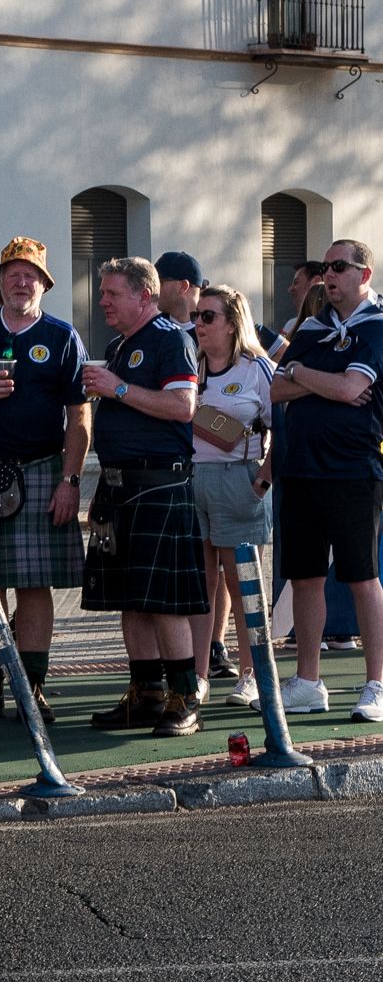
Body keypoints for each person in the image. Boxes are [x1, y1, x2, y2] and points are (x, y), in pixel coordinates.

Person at [0, 237, 88, 724]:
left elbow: (80, 416)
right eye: (12, 274)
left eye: (30, 275)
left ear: (44, 284)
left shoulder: (63, 336)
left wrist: (70, 480)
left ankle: (32, 688)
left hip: (42, 470)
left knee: (35, 586)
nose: (20, 282)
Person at [80, 257, 206, 735]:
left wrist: (119, 388)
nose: (103, 301)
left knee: (163, 600)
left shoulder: (171, 339)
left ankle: (183, 698)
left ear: (145, 296)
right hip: (120, 487)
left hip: (160, 485)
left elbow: (183, 406)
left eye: (112, 293)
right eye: (103, 292)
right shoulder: (117, 346)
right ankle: (146, 694)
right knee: (131, 599)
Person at [268, 240, 383, 722]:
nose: (327, 276)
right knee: (305, 576)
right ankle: (308, 682)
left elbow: (354, 388)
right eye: (324, 269)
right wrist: (312, 375)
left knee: (362, 578)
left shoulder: (375, 326)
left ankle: (376, 684)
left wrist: (304, 374)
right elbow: (276, 386)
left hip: (353, 470)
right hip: (300, 469)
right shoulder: (312, 327)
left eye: (339, 267)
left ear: (364, 273)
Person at [189, 284, 273, 709]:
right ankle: (199, 675)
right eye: (197, 316)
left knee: (243, 586)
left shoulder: (256, 368)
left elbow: (285, 424)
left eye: (208, 317)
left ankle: (252, 674)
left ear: (232, 322)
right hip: (195, 477)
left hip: (239, 478)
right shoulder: (192, 366)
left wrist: (262, 479)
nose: (199, 324)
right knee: (200, 586)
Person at [154, 251, 204, 328]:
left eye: (159, 283)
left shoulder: (211, 331)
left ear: (183, 287)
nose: (153, 288)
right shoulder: (151, 328)